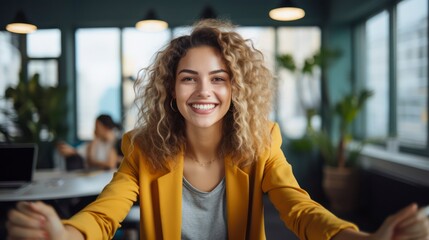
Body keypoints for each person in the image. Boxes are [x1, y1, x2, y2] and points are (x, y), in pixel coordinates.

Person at [6, 19, 429, 240]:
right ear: (171, 90)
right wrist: (65, 234)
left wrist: (361, 239)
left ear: (235, 88)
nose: (203, 91)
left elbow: (300, 211)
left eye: (219, 78)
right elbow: (105, 214)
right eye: (188, 78)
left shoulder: (263, 141)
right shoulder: (141, 146)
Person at [56, 114, 122, 171]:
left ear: (105, 127)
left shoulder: (116, 142)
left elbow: (110, 165)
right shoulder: (97, 142)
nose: (94, 129)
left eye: (97, 126)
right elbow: (88, 156)